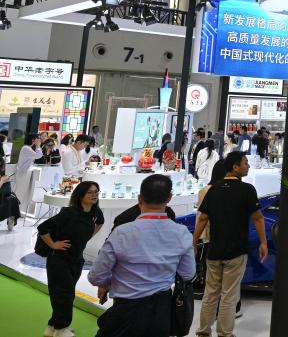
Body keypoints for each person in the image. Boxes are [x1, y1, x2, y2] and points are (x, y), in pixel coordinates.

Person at [89, 174, 195, 337]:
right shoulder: (181, 233)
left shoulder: (122, 232)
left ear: (139, 198)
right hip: (161, 310)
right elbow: (188, 274)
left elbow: (96, 276)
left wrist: (111, 281)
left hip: (126, 310)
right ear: (169, 198)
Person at [193, 151, 268, 337]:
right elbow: (258, 218)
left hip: (214, 250)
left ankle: (203, 332)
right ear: (235, 167)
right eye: (245, 163)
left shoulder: (213, 189)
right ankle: (225, 333)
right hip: (236, 251)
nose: (248, 166)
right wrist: (263, 242)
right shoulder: (247, 190)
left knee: (210, 293)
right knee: (229, 295)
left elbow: (202, 218)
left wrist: (194, 243)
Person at [37, 181, 104, 337]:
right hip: (59, 259)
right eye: (90, 192)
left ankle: (53, 326)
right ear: (80, 195)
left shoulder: (95, 212)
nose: (94, 195)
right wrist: (53, 244)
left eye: (96, 192)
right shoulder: (69, 213)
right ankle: (61, 328)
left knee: (65, 294)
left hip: (77, 259)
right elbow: (43, 228)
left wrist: (86, 237)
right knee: (64, 295)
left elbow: (100, 223)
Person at [14, 133, 43, 210]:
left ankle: (18, 209)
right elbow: (39, 155)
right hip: (23, 173)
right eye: (37, 139)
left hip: (23, 172)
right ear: (33, 140)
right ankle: (15, 209)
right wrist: (38, 146)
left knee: (22, 192)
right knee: (20, 191)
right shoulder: (26, 148)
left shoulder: (27, 148)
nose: (39, 140)